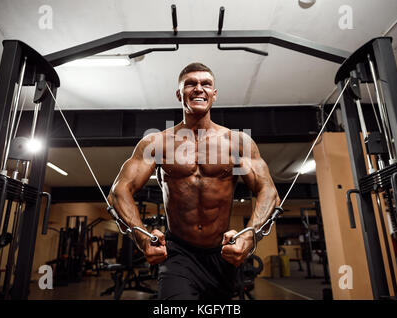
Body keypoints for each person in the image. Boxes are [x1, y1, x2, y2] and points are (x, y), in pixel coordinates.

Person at [108, 62, 280, 300]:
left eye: (206, 84)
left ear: (214, 94)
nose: (199, 88)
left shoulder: (237, 142)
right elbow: (119, 191)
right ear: (180, 94)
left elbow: (268, 191)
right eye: (191, 84)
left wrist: (249, 236)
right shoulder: (156, 143)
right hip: (178, 253)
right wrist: (142, 237)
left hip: (222, 253)